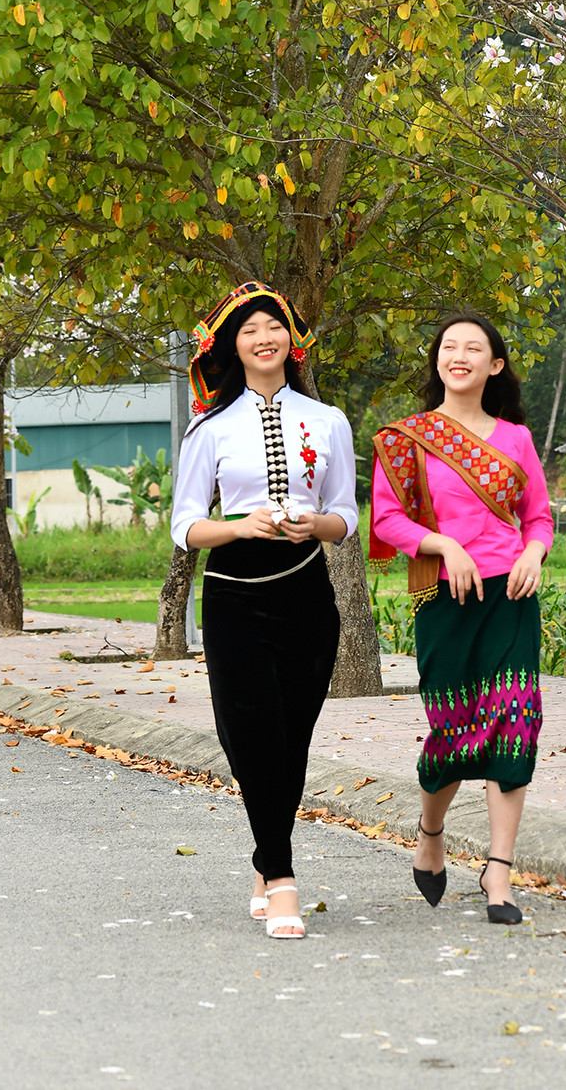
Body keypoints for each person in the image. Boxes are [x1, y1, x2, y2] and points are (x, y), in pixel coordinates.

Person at [170, 281, 358, 940]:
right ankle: (281, 881)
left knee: (291, 740)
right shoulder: (209, 430)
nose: (263, 338)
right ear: (233, 347)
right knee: (249, 736)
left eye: (272, 326)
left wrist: (319, 526)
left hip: (307, 592)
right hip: (233, 592)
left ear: (290, 339)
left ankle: (264, 856)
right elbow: (185, 526)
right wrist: (240, 527)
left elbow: (347, 515)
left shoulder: (329, 420)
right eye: (249, 330)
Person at [370, 309, 553, 924]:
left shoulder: (517, 438)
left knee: (515, 721)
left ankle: (499, 872)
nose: (460, 354)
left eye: (474, 348)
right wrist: (444, 545)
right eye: (450, 346)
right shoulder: (407, 440)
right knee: (454, 732)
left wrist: (533, 551)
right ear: (439, 361)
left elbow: (539, 517)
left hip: (511, 597)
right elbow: (387, 520)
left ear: (493, 365)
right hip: (446, 600)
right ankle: (431, 832)